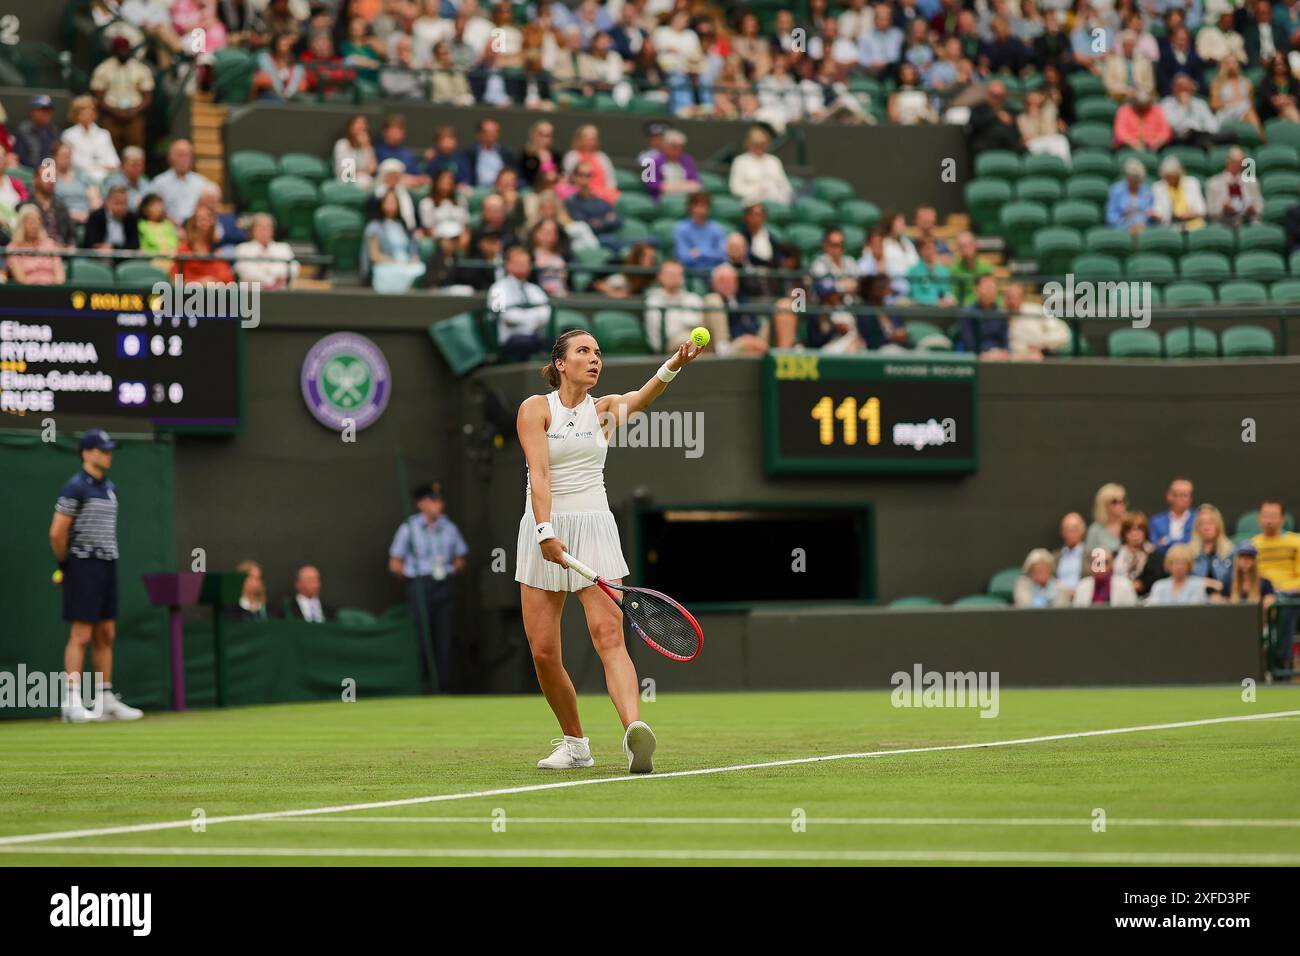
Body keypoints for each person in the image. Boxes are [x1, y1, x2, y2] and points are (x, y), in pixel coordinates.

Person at [514, 327, 703, 773]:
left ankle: (635, 731)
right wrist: (545, 532)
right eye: (583, 351)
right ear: (561, 363)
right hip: (543, 530)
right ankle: (576, 744)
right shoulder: (535, 409)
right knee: (543, 651)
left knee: (609, 637)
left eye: (598, 352)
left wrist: (673, 365)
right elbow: (539, 475)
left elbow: (641, 397)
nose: (594, 358)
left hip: (595, 530)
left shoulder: (604, 412)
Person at [48, 429, 143, 722]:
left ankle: (104, 700)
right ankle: (71, 702)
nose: (107, 455)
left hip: (107, 564)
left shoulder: (109, 487)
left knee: (106, 634)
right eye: (102, 450)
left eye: (109, 450)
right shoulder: (75, 487)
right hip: (82, 564)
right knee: (81, 634)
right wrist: (67, 564)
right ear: (86, 453)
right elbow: (56, 533)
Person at [389, 482, 469, 693]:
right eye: (434, 500)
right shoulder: (409, 528)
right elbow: (395, 562)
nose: (439, 504)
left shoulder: (449, 527)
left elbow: (460, 557)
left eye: (440, 500)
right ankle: (421, 684)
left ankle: (443, 686)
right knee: (420, 636)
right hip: (420, 585)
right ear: (422, 503)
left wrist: (452, 568)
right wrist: (412, 579)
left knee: (445, 636)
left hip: (443, 584)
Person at [1252, 498, 1300, 671]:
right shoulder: (1253, 545)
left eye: (1273, 515)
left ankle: (1282, 661)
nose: (1269, 520)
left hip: (1289, 594)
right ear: (1259, 519)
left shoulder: (1296, 542)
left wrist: (1280, 591)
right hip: (1260, 594)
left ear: (1282, 519)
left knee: (1284, 606)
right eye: (1265, 515)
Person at [89, 35, 154, 155]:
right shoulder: (104, 69)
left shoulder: (140, 69)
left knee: (136, 152)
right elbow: (98, 96)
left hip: (134, 115)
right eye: (120, 49)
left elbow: (147, 97)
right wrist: (113, 111)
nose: (123, 52)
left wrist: (135, 110)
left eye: (126, 49)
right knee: (109, 151)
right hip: (111, 116)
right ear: (114, 50)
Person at [490, 245, 552, 362]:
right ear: (508, 265)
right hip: (510, 340)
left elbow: (546, 312)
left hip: (535, 336)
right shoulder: (498, 289)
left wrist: (528, 318)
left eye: (526, 263)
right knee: (529, 342)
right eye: (518, 263)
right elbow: (506, 315)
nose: (523, 267)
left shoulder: (534, 289)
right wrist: (533, 318)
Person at [150, 139, 216, 225]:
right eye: (180, 155)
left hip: (196, 228)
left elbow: (210, 210)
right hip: (168, 228)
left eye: (187, 155)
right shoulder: (158, 183)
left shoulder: (202, 183)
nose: (185, 159)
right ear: (170, 157)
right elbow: (154, 211)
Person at [643, 259, 703, 352]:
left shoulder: (693, 298)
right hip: (668, 345)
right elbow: (667, 332)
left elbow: (700, 323)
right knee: (692, 341)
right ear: (660, 277)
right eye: (671, 274)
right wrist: (687, 323)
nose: (675, 277)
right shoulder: (653, 301)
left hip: (695, 337)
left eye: (678, 274)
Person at [728, 126, 792, 206]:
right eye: (756, 144)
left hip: (776, 200)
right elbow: (735, 188)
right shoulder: (740, 161)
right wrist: (757, 190)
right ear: (749, 143)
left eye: (763, 144)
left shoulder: (774, 160)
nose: (760, 147)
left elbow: (785, 185)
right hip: (751, 202)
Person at [234, 213, 298, 290]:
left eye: (268, 227)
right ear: (252, 230)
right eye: (260, 227)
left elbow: (294, 268)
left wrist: (278, 280)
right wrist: (271, 281)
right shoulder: (242, 248)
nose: (264, 230)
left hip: (281, 293)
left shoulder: (283, 247)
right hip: (252, 295)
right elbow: (246, 272)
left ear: (273, 230)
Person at [6, 207, 67, 286]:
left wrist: (55, 290)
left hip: (52, 289)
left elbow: (59, 275)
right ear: (22, 225)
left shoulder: (49, 244)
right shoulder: (13, 247)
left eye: (37, 222)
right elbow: (20, 278)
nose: (35, 226)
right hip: (28, 292)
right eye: (31, 223)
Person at [1205, 146, 1264, 227]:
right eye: (1234, 162)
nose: (1237, 165)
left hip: (1247, 220)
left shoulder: (1252, 182)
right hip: (1223, 221)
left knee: (1257, 226)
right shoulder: (1213, 183)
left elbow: (1260, 207)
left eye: (1240, 162)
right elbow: (1211, 210)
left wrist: (1253, 209)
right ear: (1228, 161)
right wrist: (1223, 209)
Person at [955, 274, 1010, 360]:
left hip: (998, 356)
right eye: (986, 288)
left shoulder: (1001, 314)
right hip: (975, 356)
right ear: (977, 290)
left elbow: (1005, 342)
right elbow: (968, 343)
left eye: (992, 288)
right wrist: (986, 353)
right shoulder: (966, 313)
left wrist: (1003, 352)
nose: (990, 291)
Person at [1112, 511, 1163, 599]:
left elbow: (1149, 583)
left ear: (1145, 532)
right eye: (1130, 530)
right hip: (1117, 599)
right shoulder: (1115, 555)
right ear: (1124, 534)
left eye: (1139, 529)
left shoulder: (1155, 555)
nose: (1134, 534)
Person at [1189, 503, 1234, 598]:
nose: (1206, 528)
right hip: (1194, 600)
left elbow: (1235, 578)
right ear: (1197, 528)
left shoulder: (1231, 551)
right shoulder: (1189, 552)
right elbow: (1183, 581)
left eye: (1210, 523)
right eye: (1202, 524)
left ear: (1218, 525)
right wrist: (1208, 582)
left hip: (1224, 598)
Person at [673, 191, 727, 271]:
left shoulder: (717, 228)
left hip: (713, 272)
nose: (701, 210)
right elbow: (683, 257)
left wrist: (699, 253)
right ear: (690, 207)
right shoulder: (681, 228)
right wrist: (710, 253)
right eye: (697, 205)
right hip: (689, 273)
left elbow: (722, 255)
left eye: (704, 206)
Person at [645, 129, 700, 202]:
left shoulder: (688, 160)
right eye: (672, 146)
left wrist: (673, 186)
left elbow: (696, 183)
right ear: (664, 146)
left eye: (678, 147)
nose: (675, 150)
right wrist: (680, 186)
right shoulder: (652, 162)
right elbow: (652, 185)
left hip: (687, 196)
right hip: (663, 199)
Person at [1151, 156, 1206, 229]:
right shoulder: (1158, 187)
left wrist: (1191, 214)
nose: (1170, 180)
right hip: (1170, 226)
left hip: (1193, 223)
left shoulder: (1192, 183)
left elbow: (1202, 209)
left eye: (1173, 177)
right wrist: (1156, 215)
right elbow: (1158, 211)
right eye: (1167, 177)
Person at [1106, 157, 1156, 234]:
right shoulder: (1116, 190)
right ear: (1127, 177)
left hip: (1143, 228)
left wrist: (1150, 216)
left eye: (1137, 179)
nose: (1134, 181)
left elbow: (1151, 213)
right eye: (1132, 178)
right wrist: (1123, 218)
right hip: (1122, 228)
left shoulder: (1147, 191)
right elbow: (1110, 216)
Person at [84, 183, 140, 251]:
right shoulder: (95, 216)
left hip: (125, 257)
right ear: (107, 202)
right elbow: (90, 243)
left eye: (125, 203)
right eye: (117, 203)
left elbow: (135, 244)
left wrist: (113, 248)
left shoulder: (131, 217)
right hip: (100, 257)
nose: (122, 207)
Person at [1072, 550, 1138, 607]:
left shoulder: (1125, 585)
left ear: (1111, 565)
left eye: (1105, 563)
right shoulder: (1082, 586)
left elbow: (1132, 614)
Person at [1149, 477, 1195, 553]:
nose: (1182, 499)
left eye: (1185, 495)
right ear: (1169, 496)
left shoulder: (1198, 519)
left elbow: (1196, 545)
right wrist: (1184, 541)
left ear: (1190, 498)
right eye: (1178, 495)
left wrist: (1167, 540)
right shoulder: (1156, 521)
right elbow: (1154, 547)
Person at [14, 94, 59, 171]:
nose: (47, 114)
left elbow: (55, 154)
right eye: (44, 110)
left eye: (49, 111)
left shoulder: (53, 131)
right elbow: (20, 158)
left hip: (51, 172)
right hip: (29, 173)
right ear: (33, 111)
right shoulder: (22, 131)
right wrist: (38, 168)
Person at [1086, 482, 1128, 557]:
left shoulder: (1130, 525)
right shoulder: (1095, 530)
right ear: (1104, 505)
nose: (1120, 505)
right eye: (1114, 502)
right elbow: (1088, 558)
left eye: (1122, 501)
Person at [1055, 512, 1087, 595]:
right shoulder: (1055, 557)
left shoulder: (1092, 555)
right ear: (1062, 532)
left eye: (1074, 529)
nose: (1071, 533)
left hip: (1083, 597)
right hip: (1058, 598)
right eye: (1067, 529)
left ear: (1082, 530)